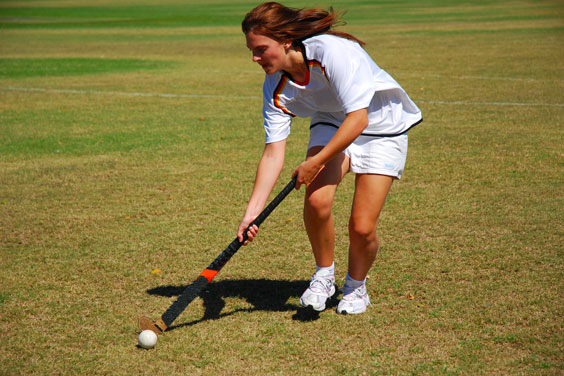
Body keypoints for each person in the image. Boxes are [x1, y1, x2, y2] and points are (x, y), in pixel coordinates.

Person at [237, 2, 422, 315]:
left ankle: (356, 287)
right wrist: (250, 214)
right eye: (251, 50)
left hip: (380, 124)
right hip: (332, 121)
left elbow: (358, 119)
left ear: (285, 40)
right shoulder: (275, 87)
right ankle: (324, 277)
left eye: (260, 49)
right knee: (317, 201)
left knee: (362, 228)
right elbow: (273, 153)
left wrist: (314, 162)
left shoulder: (332, 52)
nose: (255, 58)